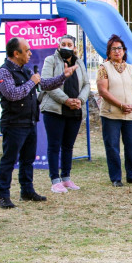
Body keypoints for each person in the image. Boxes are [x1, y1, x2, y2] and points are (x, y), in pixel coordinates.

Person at [0, 37, 78, 209]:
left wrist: (63, 77)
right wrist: (32, 81)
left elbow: (43, 84)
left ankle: (27, 190)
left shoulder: (24, 70)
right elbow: (13, 94)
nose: (30, 53)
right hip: (14, 123)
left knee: (27, 159)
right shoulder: (4, 72)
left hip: (29, 121)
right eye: (27, 50)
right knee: (9, 160)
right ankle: (3, 194)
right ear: (16, 53)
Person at [39, 34, 90, 193]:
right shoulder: (51, 60)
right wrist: (66, 100)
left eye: (69, 44)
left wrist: (80, 100)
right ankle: (55, 180)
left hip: (75, 110)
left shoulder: (79, 62)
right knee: (54, 145)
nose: (66, 46)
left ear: (75, 47)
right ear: (59, 45)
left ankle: (66, 178)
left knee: (68, 146)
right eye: (63, 43)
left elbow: (87, 84)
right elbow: (47, 83)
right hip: (55, 110)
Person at [97, 35, 132, 186]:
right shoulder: (104, 68)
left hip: (131, 114)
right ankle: (116, 178)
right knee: (112, 146)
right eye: (113, 49)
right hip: (111, 114)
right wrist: (121, 105)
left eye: (120, 48)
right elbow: (103, 91)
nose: (117, 51)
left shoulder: (131, 68)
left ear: (124, 51)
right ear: (109, 52)